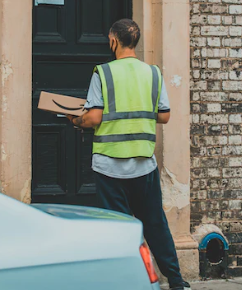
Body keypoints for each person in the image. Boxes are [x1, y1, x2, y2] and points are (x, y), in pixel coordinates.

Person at [66, 19, 191, 290]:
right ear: (135, 41)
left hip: (109, 165)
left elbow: (94, 117)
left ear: (113, 40)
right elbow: (165, 115)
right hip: (144, 164)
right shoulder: (154, 73)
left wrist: (76, 120)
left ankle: (126, 282)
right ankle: (178, 282)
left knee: (118, 229)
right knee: (156, 225)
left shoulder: (103, 72)